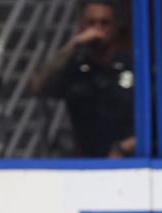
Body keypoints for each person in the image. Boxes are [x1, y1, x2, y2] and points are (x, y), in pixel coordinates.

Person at [31, 0, 135, 157]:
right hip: (84, 164)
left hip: (129, 163)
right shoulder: (73, 67)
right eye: (91, 23)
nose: (97, 29)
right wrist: (72, 45)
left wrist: (125, 147)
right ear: (81, 26)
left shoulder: (133, 66)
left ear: (115, 28)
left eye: (104, 23)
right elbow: (37, 86)